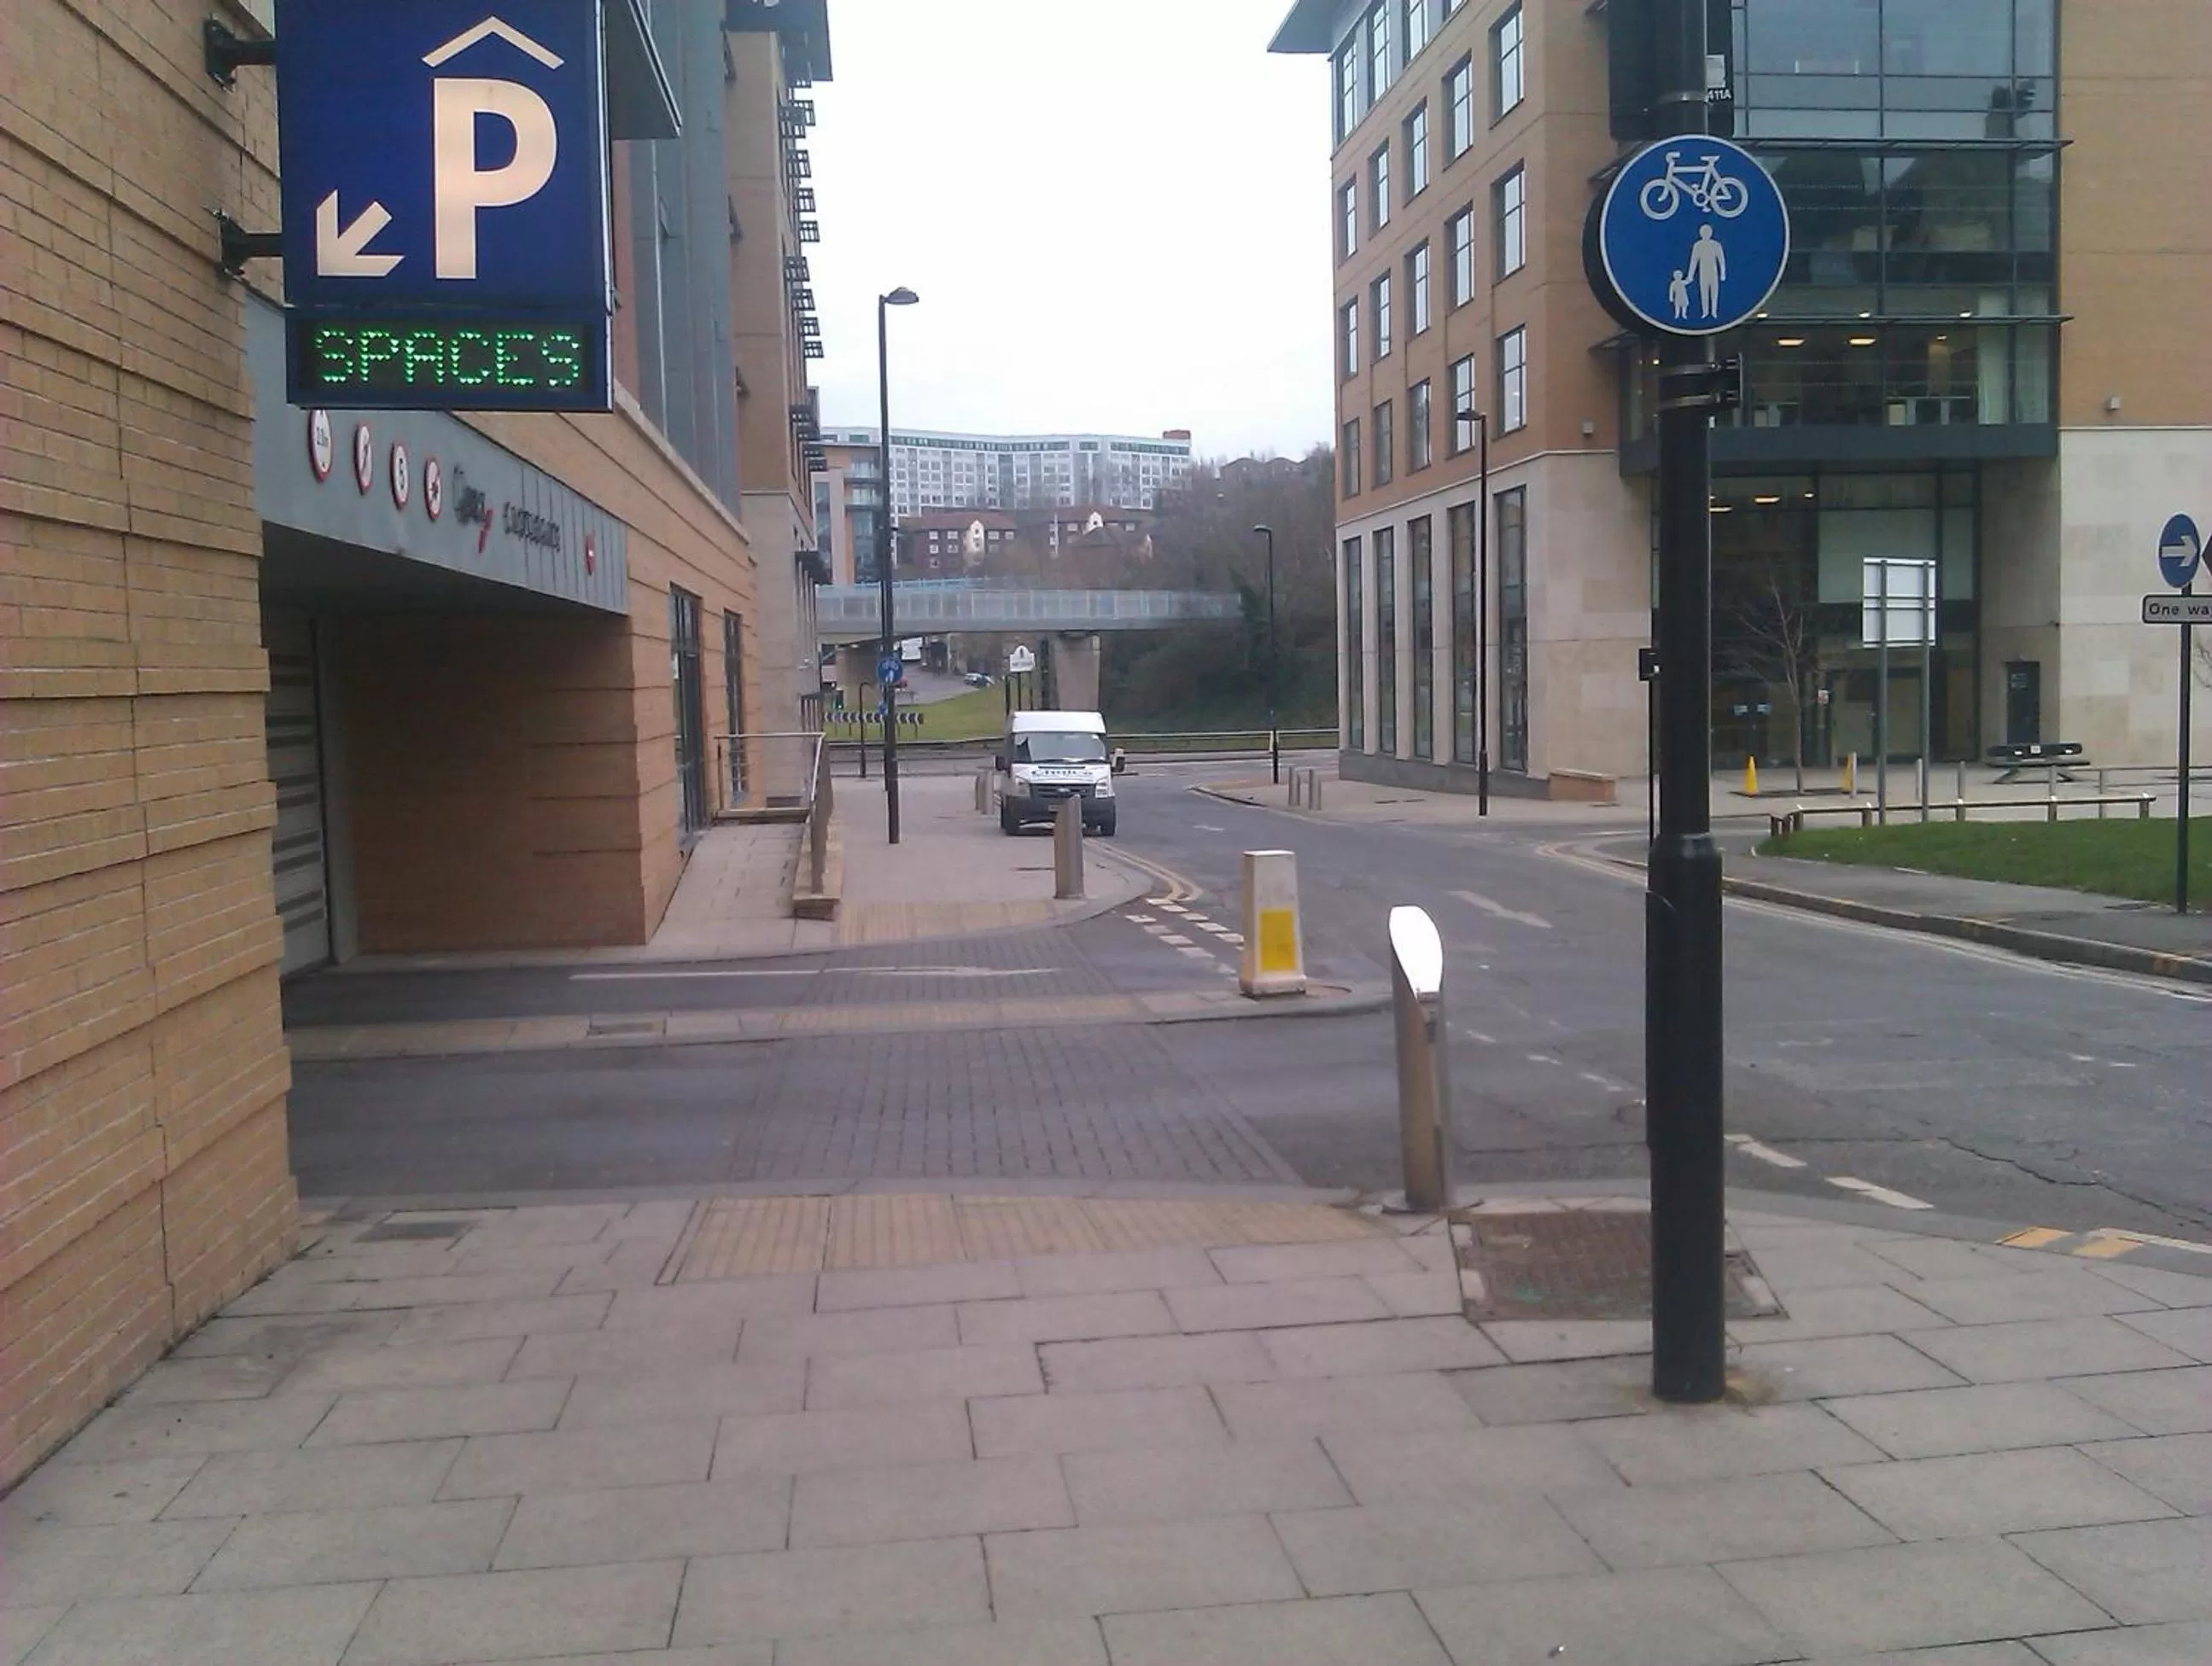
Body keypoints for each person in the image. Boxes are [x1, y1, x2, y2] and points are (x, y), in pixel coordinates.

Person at [1687, 224, 1726, 318]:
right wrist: (1690, 276)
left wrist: (1723, 273)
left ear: (1711, 233)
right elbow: (1693, 262)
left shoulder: (1716, 245)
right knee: (1704, 293)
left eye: (1707, 232)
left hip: (1713, 272)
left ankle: (1714, 312)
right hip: (1703, 272)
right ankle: (1705, 312)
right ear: (1701, 233)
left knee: (1714, 293)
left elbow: (1721, 260)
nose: (1706, 234)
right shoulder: (1698, 245)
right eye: (1704, 232)